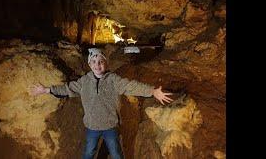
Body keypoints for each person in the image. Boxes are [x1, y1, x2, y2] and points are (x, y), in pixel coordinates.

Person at [31, 48, 174, 159]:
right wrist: (47, 90)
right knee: (88, 153)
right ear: (89, 64)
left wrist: (152, 91)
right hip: (92, 126)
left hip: (110, 126)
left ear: (106, 63)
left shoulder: (113, 80)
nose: (97, 65)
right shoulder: (84, 81)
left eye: (101, 61)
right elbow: (67, 89)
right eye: (94, 62)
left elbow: (131, 86)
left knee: (116, 153)